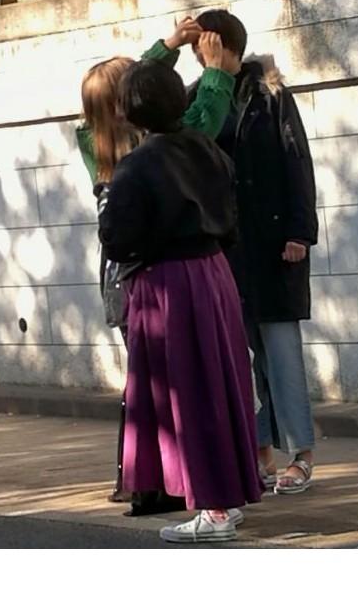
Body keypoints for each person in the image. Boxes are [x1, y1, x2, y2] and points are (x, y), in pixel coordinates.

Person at [98, 60, 263, 543]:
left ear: (129, 110)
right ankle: (227, 495)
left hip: (167, 283)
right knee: (221, 383)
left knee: (187, 391)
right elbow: (231, 215)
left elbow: (118, 240)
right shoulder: (207, 149)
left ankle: (214, 509)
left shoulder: (135, 166)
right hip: (214, 272)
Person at [77, 20, 237, 515]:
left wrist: (165, 49)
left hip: (132, 275)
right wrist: (214, 72)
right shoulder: (183, 144)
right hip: (187, 271)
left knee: (151, 381)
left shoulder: (97, 144)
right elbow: (203, 114)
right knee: (197, 379)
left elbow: (116, 237)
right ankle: (201, 483)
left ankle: (150, 479)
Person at [190, 9, 319, 494]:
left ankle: (301, 453)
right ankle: (259, 450)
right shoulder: (199, 98)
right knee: (241, 358)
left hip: (275, 243)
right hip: (225, 249)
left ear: (226, 46)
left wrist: (300, 233)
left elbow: (296, 161)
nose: (201, 56)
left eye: (206, 46)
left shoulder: (270, 93)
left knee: (282, 353)